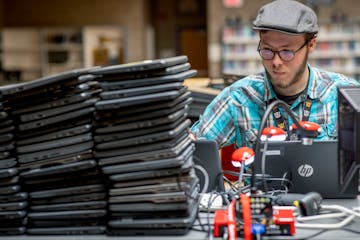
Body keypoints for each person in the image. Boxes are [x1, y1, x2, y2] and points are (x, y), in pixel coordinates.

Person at [190, 0, 360, 150]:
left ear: (311, 45)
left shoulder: (345, 95)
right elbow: (193, 151)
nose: (276, 62)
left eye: (287, 52)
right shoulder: (239, 97)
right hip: (260, 188)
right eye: (267, 50)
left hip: (328, 188)